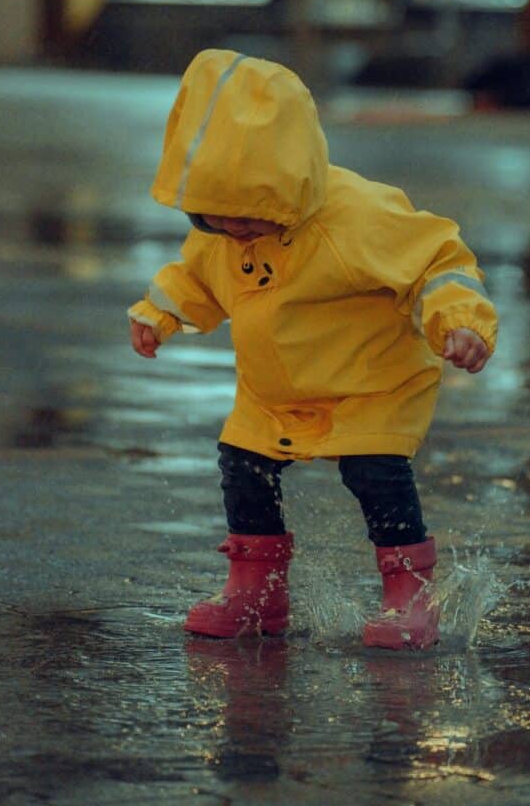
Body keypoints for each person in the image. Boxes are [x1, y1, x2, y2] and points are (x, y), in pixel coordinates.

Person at [128, 49, 497, 650]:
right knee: (243, 468)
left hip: (366, 386)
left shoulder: (356, 217)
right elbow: (196, 276)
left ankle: (410, 597)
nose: (233, 234)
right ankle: (256, 593)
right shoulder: (223, 234)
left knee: (376, 476)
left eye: (248, 221)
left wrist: (460, 321)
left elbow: (438, 260)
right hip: (272, 393)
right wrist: (160, 312)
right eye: (215, 222)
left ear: (282, 188)